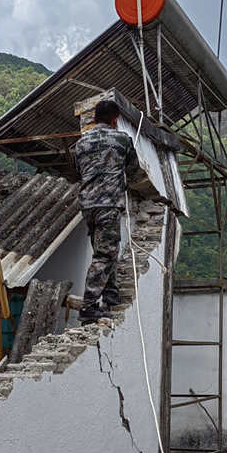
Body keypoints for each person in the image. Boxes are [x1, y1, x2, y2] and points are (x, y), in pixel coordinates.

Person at [73, 98, 149, 323]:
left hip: (88, 205)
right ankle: (88, 306)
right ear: (115, 120)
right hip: (108, 205)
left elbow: (79, 170)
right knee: (105, 254)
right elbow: (135, 170)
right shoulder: (121, 139)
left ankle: (111, 293)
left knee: (105, 250)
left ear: (95, 118)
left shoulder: (81, 143)